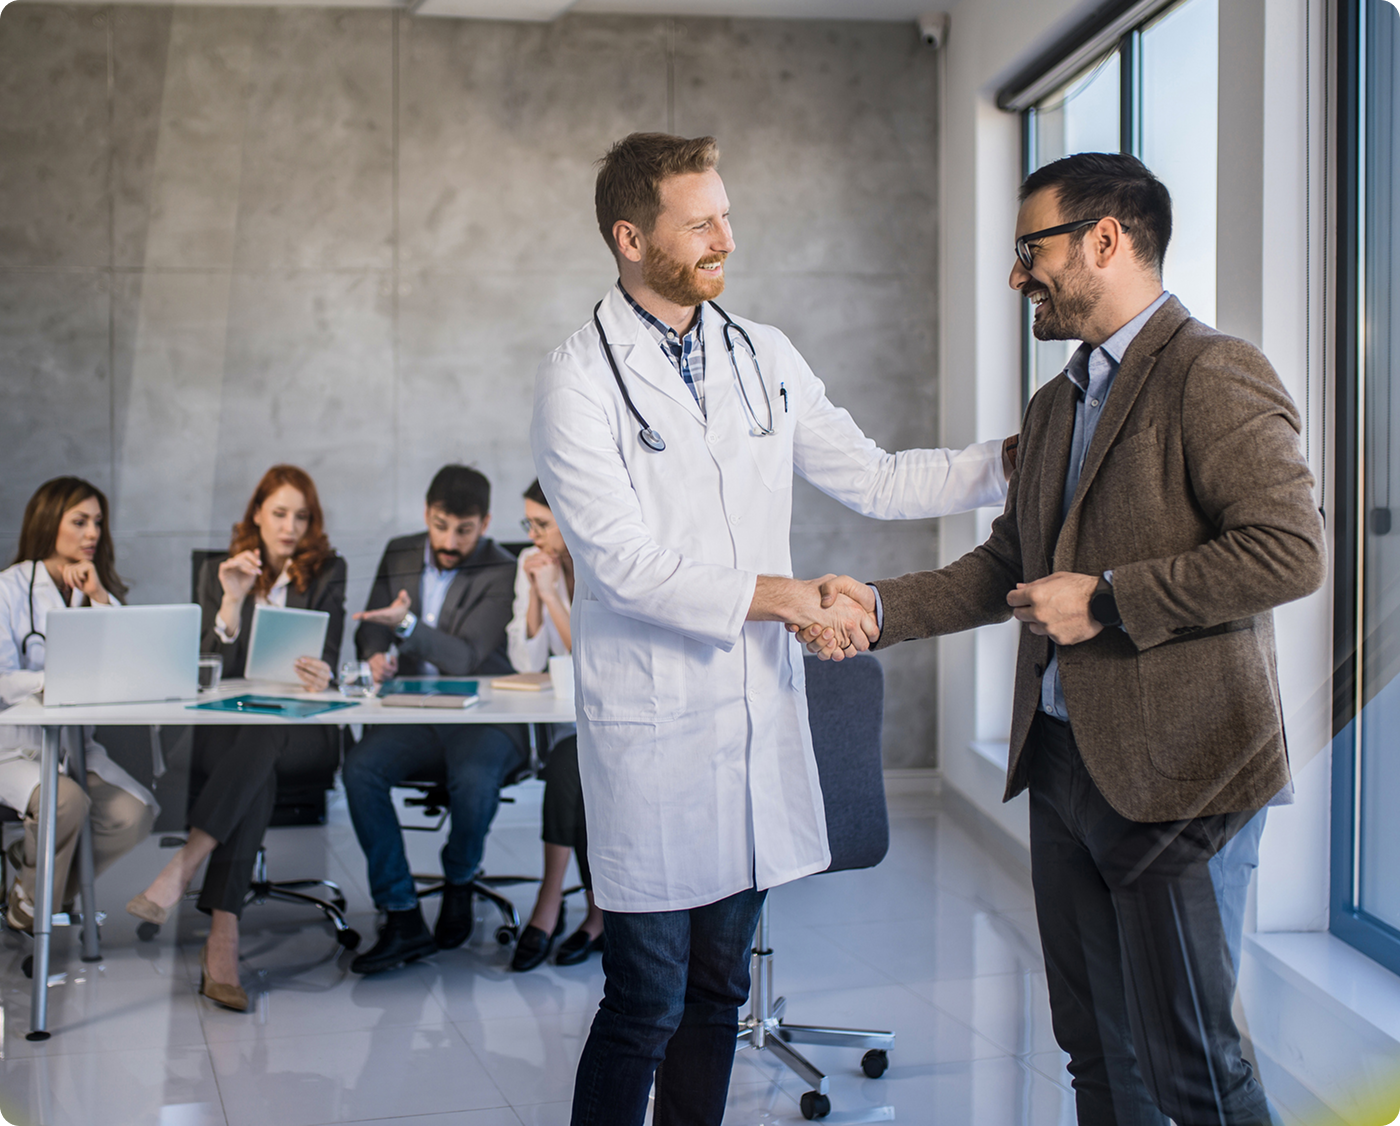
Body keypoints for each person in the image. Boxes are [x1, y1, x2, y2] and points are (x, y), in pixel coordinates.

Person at [808, 152, 1325, 1125]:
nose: (1015, 275)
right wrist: (874, 607)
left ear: (1104, 238)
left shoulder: (1211, 371)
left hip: (1181, 775)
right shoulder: (1053, 407)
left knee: (1192, 1066)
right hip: (1062, 765)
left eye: (1027, 249)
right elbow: (1005, 561)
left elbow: (1289, 551)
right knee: (1094, 1052)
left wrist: (1111, 597)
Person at [530, 132, 1014, 1126]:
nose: (727, 237)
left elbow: (876, 477)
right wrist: (791, 598)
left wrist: (1026, 453)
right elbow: (622, 564)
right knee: (643, 1002)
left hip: (753, 724)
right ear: (630, 237)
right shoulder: (577, 376)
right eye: (700, 221)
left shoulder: (762, 355)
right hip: (653, 736)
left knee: (715, 998)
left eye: (726, 214)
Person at [128, 465, 345, 1012]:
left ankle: (185, 865)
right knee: (257, 755)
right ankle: (222, 935)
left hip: (303, 732)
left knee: (265, 738)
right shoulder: (221, 571)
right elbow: (203, 667)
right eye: (279, 513)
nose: (290, 526)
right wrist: (231, 601)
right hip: (233, 734)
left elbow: (334, 654)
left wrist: (324, 672)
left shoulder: (326, 570)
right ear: (256, 514)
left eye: (301, 516)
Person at [342, 464, 524, 975]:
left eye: (464, 530)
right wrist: (378, 653)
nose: (449, 540)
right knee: (360, 769)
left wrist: (404, 624)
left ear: (484, 523)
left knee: (474, 777)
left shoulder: (501, 567)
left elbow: (466, 657)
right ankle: (401, 914)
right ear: (427, 514)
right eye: (441, 525)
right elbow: (371, 628)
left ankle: (460, 878)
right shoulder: (401, 550)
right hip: (414, 712)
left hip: (484, 717)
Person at [0, 478, 157, 934]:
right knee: (63, 801)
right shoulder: (9, 589)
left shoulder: (93, 590)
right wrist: (56, 681)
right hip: (15, 750)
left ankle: (30, 891)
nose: (93, 533)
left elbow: (135, 665)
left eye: (98, 523)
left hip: (76, 749)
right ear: (49, 521)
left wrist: (100, 598)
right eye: (80, 521)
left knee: (135, 813)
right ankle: (37, 899)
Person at [504, 479, 602, 971]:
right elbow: (524, 657)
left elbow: (586, 654)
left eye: (542, 524)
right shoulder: (534, 564)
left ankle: (549, 905)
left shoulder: (602, 560)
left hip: (610, 712)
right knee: (572, 764)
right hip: (570, 719)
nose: (534, 534)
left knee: (573, 765)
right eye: (530, 524)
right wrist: (537, 596)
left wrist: (553, 594)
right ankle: (593, 912)